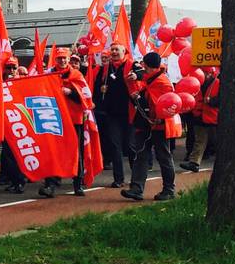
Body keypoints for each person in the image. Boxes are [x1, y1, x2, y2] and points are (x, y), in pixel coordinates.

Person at [121, 52, 178, 202]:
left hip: (159, 125)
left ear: (147, 65)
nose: (141, 67)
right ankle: (136, 189)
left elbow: (161, 105)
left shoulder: (161, 83)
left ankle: (169, 189)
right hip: (148, 124)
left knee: (163, 157)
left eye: (143, 64)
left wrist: (138, 98)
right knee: (141, 156)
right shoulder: (152, 79)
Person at [40, 48, 91, 197]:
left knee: (77, 152)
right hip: (55, 119)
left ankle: (78, 184)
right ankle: (50, 184)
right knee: (53, 152)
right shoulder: (49, 75)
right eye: (59, 58)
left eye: (64, 58)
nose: (62, 61)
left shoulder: (77, 75)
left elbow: (86, 96)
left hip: (75, 120)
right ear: (55, 59)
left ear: (68, 60)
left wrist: (71, 93)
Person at [91, 43, 134, 187]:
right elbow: (95, 89)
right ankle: (119, 179)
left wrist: (135, 76)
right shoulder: (104, 69)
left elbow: (141, 74)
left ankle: (137, 178)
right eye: (113, 49)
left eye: (117, 50)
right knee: (115, 146)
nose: (114, 52)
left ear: (124, 52)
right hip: (112, 114)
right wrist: (100, 89)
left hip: (129, 113)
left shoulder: (131, 65)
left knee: (131, 147)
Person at [0, 56, 28, 193]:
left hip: (19, 124)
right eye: (8, 67)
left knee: (18, 155)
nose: (11, 70)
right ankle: (14, 180)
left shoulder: (23, 82)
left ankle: (20, 181)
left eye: (13, 68)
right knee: (8, 155)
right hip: (5, 125)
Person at [180, 70, 219, 172]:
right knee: (199, 140)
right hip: (199, 116)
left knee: (216, 140)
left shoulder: (217, 83)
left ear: (210, 73)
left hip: (212, 117)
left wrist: (211, 101)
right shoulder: (196, 83)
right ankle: (194, 162)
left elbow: (222, 98)